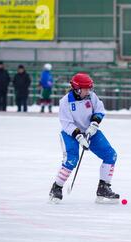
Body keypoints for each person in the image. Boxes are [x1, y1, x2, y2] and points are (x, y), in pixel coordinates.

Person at [49, 73, 120, 204]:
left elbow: (100, 110)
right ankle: (56, 188)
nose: (89, 91)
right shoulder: (65, 102)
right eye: (86, 88)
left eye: (89, 88)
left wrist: (94, 123)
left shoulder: (91, 96)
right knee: (72, 160)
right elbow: (66, 123)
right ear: (77, 89)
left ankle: (103, 188)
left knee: (111, 155)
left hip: (90, 131)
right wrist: (79, 137)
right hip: (70, 134)